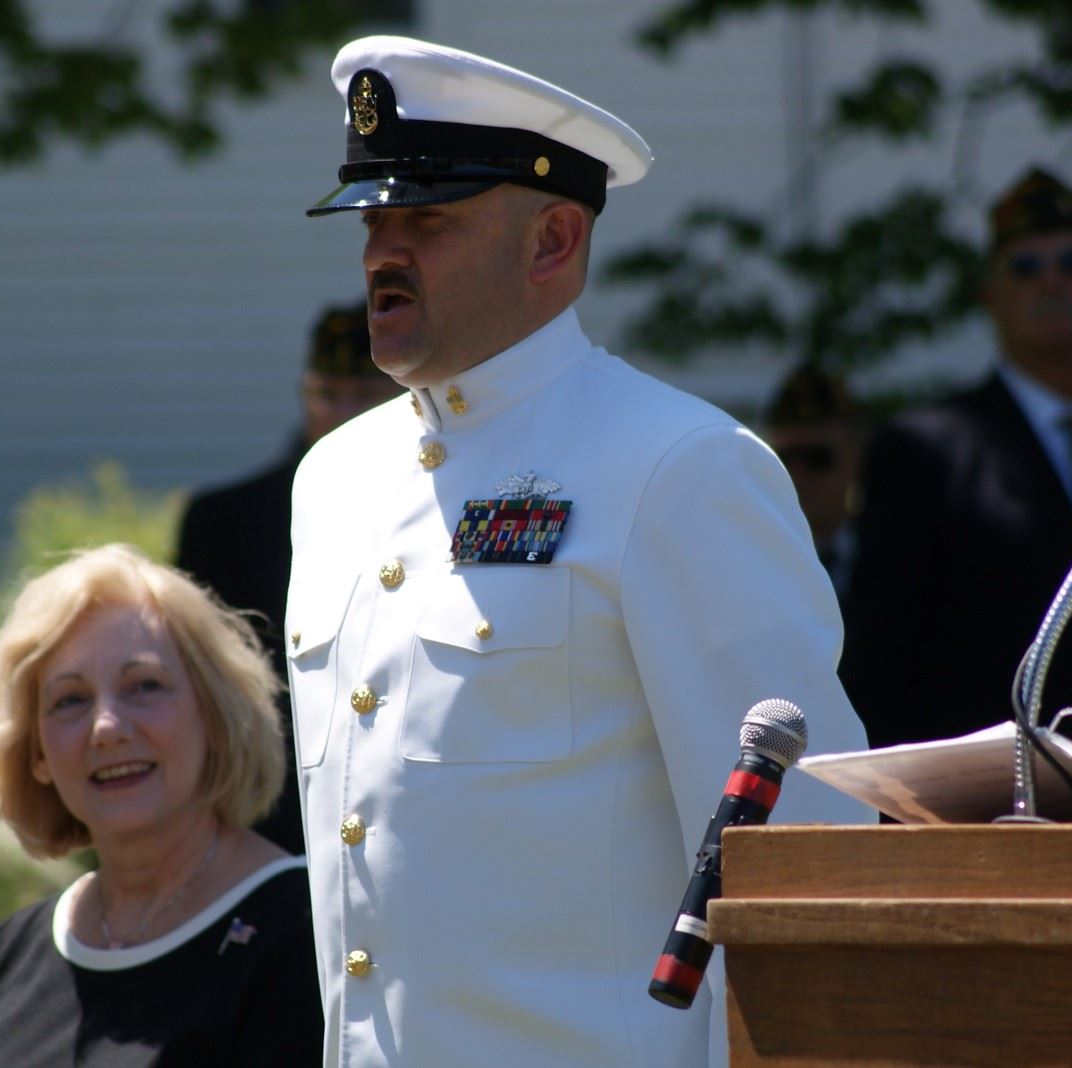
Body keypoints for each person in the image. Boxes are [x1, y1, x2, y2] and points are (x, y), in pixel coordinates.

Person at [286, 35, 872, 1068]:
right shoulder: (334, 480)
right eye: (373, 217)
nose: (382, 251)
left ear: (554, 241)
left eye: (428, 218)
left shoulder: (678, 467)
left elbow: (802, 869)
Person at [840, 167, 1072, 751]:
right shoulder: (926, 452)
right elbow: (881, 661)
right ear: (990, 295)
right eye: (1025, 267)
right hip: (1001, 791)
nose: (1051, 282)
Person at [0, 544, 322, 1066]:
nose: (107, 727)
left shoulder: (310, 936)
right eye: (70, 700)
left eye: (144, 686)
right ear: (38, 753)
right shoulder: (0, 965)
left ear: (215, 716)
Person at [177, 301, 399, 855]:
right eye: (327, 394)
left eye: (364, 396)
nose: (342, 413)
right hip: (264, 818)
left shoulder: (440, 513)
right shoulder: (224, 523)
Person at [760, 364, 865, 602]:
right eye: (783, 459)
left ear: (856, 457)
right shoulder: (749, 555)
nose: (798, 476)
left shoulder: (903, 553)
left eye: (817, 459)